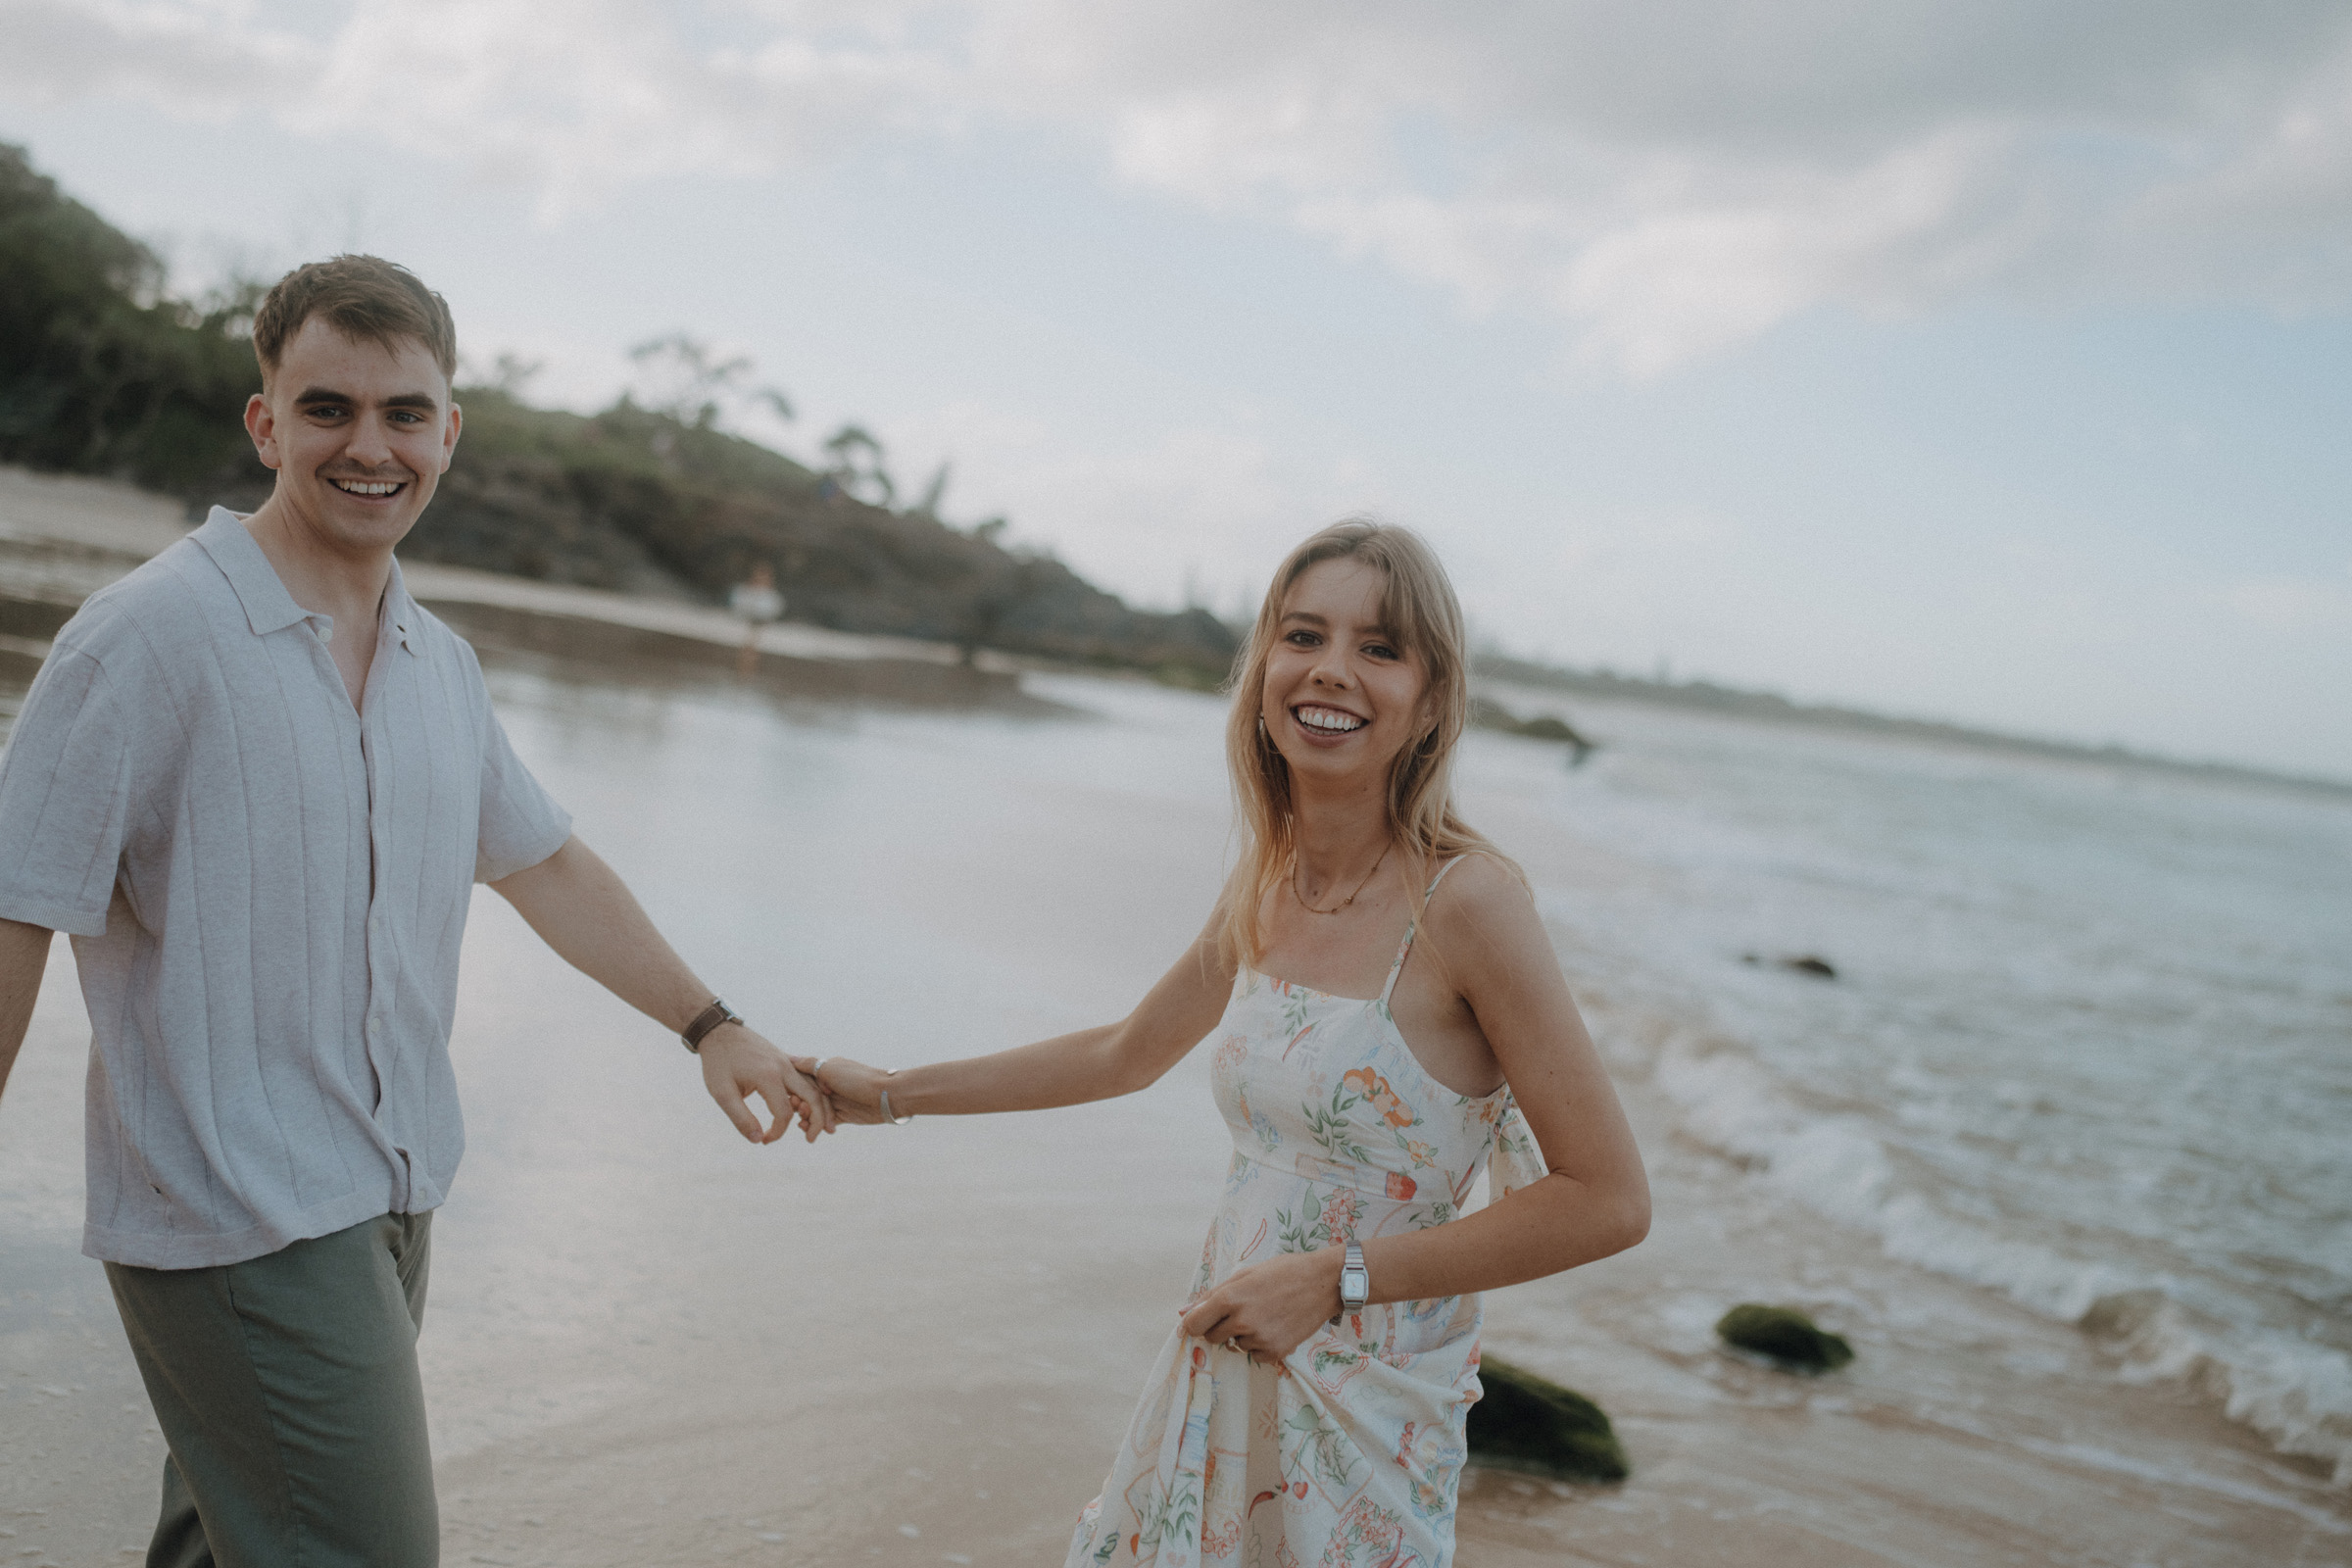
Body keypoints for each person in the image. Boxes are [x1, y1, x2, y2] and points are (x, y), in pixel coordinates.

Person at [0, 255, 830, 1567]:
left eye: (404, 413)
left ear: (451, 431)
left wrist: (713, 1024)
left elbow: (544, 863)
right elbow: (14, 906)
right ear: (266, 423)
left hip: (392, 1190)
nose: (369, 445)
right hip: (239, 1206)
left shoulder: (438, 664)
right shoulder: (147, 638)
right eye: (328, 408)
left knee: (228, 1543)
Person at [811, 521, 1649, 1564]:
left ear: (1432, 700)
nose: (1331, 670)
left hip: (1365, 1403)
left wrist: (1333, 1277)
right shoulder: (1274, 874)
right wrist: (884, 1092)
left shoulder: (1468, 900)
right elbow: (1122, 1052)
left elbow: (1608, 1199)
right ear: (1263, 666)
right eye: (1304, 634)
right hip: (1226, 1357)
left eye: (1380, 648)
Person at [729, 561, 785, 676]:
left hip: (760, 624)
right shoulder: (742, 591)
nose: (760, 580)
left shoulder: (773, 597)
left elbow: (772, 613)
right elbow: (737, 608)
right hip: (743, 622)